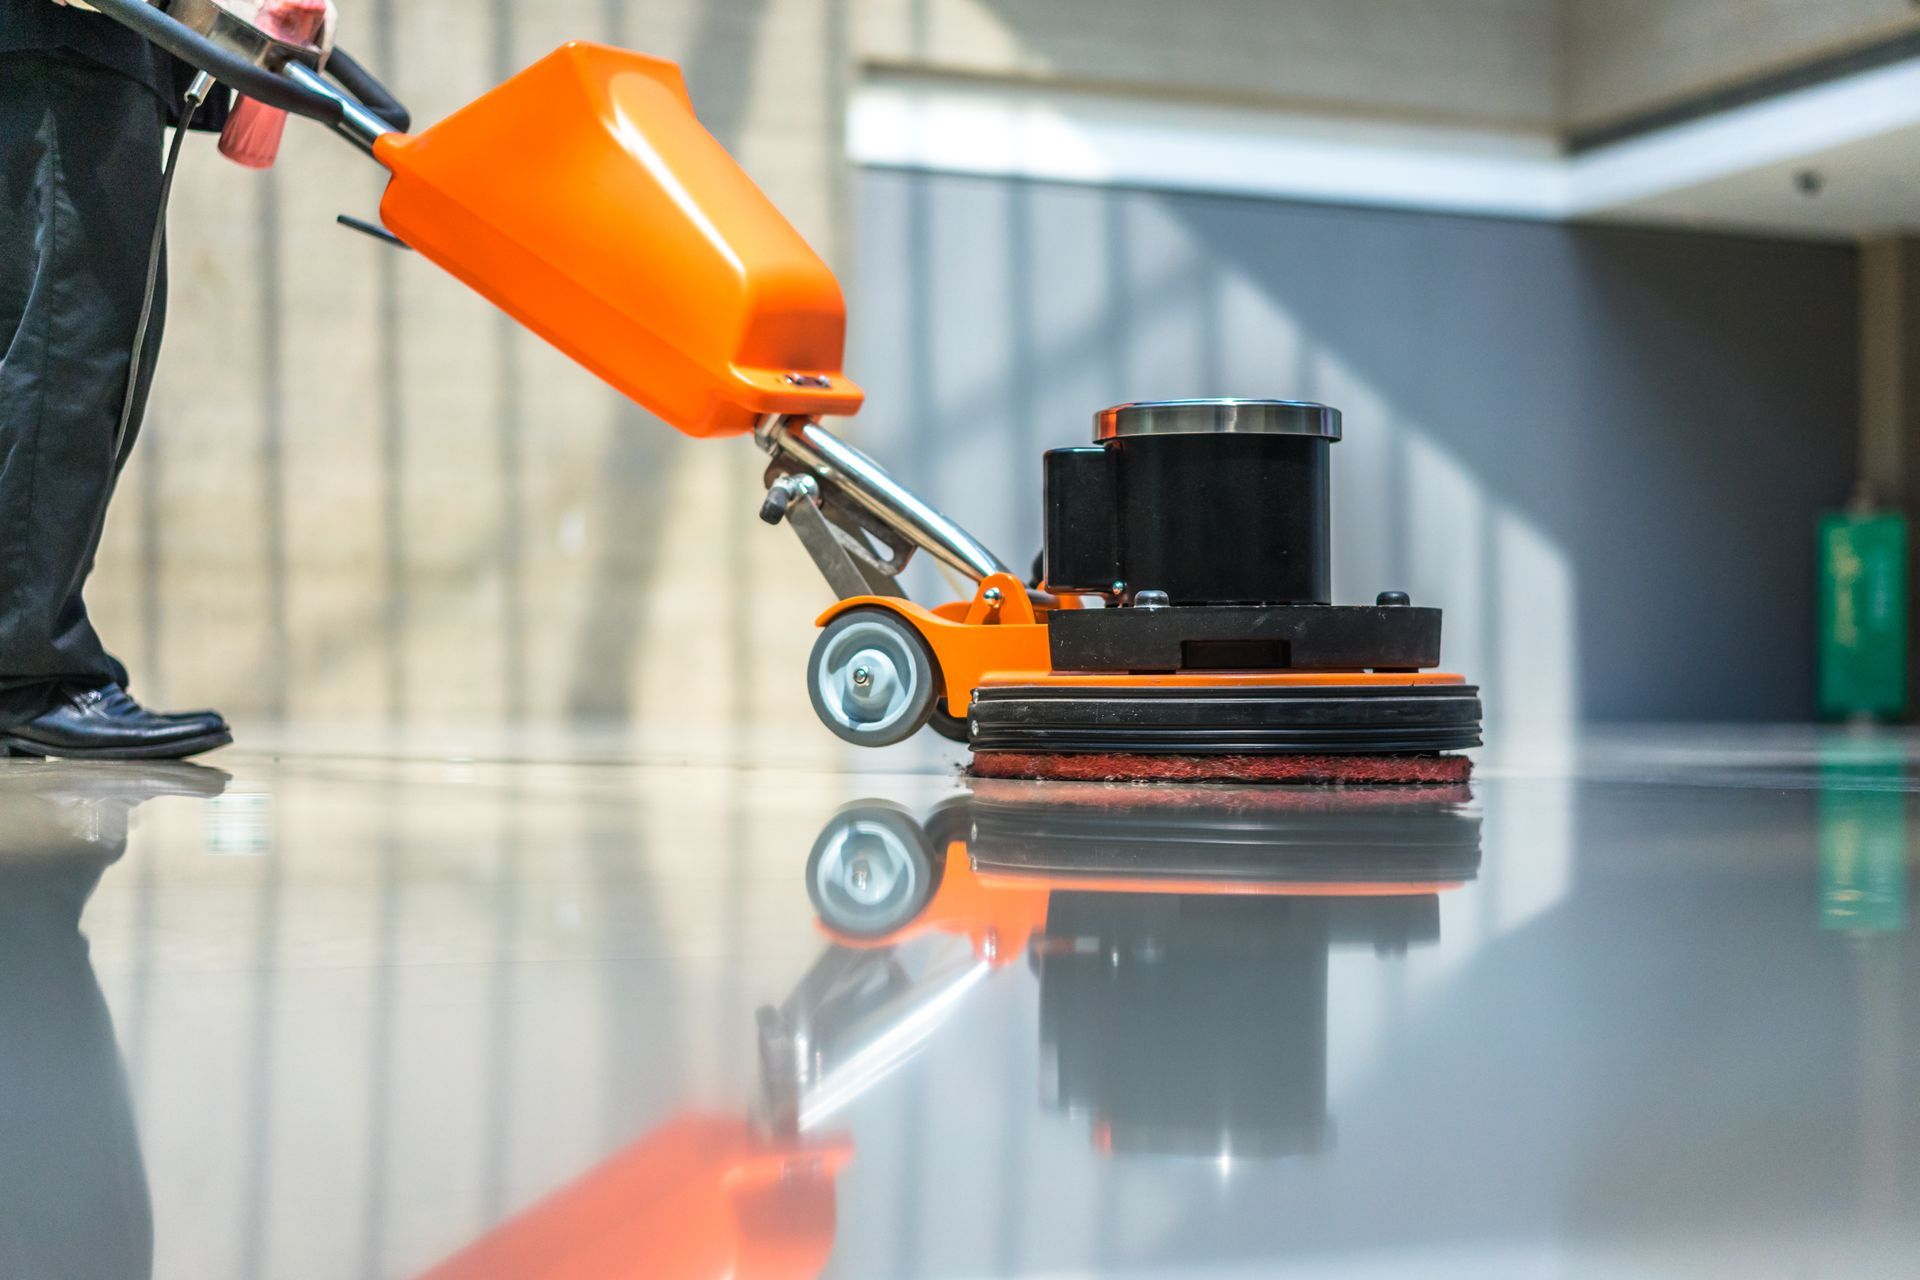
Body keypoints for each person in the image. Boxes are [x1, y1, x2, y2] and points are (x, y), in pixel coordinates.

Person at [0, 0, 235, 759]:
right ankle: (25, 670)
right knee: (73, 343)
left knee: (34, 344)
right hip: (76, 42)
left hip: (60, 43)